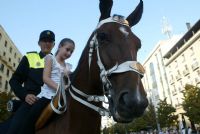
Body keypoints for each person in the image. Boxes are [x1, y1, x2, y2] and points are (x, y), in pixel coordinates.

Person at [9, 38, 75, 134]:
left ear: (54, 44)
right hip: (44, 96)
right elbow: (46, 78)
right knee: (27, 120)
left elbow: (69, 83)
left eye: (71, 52)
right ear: (60, 46)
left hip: (62, 97)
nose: (69, 53)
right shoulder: (48, 58)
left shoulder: (68, 66)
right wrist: (61, 89)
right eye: (67, 49)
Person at [6, 30, 55, 134]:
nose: (47, 43)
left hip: (52, 103)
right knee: (15, 129)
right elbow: (14, 80)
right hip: (31, 102)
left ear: (53, 44)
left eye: (50, 41)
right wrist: (25, 95)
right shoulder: (29, 58)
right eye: (44, 40)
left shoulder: (58, 63)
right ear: (39, 43)